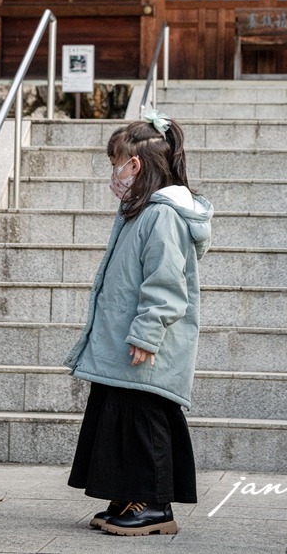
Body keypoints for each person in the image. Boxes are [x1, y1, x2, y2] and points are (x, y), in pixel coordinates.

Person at [65, 108, 213, 536]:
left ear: (134, 166)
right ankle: (127, 494)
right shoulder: (140, 212)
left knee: (145, 419)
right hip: (121, 340)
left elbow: (166, 283)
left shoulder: (161, 216)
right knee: (119, 416)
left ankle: (154, 505)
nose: (112, 173)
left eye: (115, 164)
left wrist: (148, 332)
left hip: (147, 344)